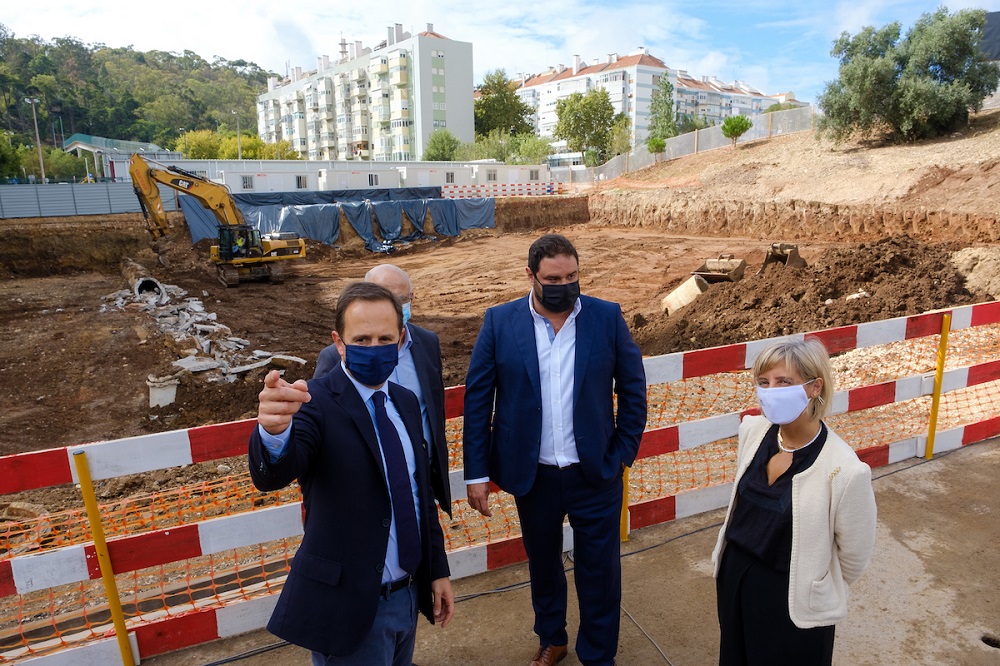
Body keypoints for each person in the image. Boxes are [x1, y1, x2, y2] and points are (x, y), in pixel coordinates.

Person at [463, 233, 647, 666]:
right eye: (553, 279)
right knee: (543, 565)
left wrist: (622, 453)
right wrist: (477, 474)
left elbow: (633, 389)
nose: (565, 285)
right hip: (534, 476)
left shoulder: (606, 317)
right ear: (530, 276)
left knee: (600, 571)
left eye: (572, 276)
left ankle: (598, 655)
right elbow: (478, 400)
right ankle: (552, 638)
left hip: (595, 473)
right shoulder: (500, 321)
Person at [249, 281, 454, 664]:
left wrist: (437, 570)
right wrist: (273, 434)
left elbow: (419, 495)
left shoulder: (406, 402)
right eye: (361, 339)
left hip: (408, 595)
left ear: (400, 339)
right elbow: (273, 474)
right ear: (339, 343)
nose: (374, 348)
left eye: (384, 338)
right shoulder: (314, 403)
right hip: (348, 610)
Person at [711, 338, 877, 666]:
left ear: (815, 387)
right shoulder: (754, 431)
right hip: (735, 580)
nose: (770, 392)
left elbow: (854, 559)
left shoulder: (845, 470)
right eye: (763, 382)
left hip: (793, 601)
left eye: (784, 382)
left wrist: (812, 582)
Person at [314, 264, 452, 516]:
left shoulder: (427, 343)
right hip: (364, 494)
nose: (393, 306)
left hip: (421, 483)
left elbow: (433, 409)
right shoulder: (334, 357)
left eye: (401, 299)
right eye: (384, 296)